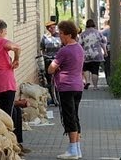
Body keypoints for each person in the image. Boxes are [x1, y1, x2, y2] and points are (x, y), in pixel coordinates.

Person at [0, 19, 29, 155]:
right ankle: (8, 150)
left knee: (14, 112)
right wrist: (16, 59)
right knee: (7, 118)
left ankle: (16, 144)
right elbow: (17, 47)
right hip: (6, 85)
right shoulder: (1, 42)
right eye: (5, 32)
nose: (5, 34)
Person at [48, 20, 84, 159]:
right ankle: (77, 148)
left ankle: (73, 150)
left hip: (66, 87)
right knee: (75, 116)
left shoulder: (64, 50)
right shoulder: (79, 48)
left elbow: (51, 69)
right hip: (78, 86)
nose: (60, 36)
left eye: (62, 33)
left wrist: (54, 67)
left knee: (69, 117)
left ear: (69, 35)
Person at [79, 19, 107, 90]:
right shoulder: (98, 33)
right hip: (96, 54)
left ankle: (87, 81)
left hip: (86, 55)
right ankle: (95, 86)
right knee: (95, 70)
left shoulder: (83, 34)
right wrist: (105, 51)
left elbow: (80, 45)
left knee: (86, 68)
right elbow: (103, 42)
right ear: (94, 24)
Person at [40, 21, 61, 104]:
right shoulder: (45, 37)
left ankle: (59, 97)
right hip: (48, 60)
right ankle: (53, 98)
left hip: (58, 60)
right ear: (47, 29)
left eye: (54, 27)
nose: (52, 29)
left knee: (58, 79)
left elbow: (63, 46)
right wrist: (44, 55)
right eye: (50, 28)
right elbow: (42, 48)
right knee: (49, 80)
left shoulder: (59, 36)